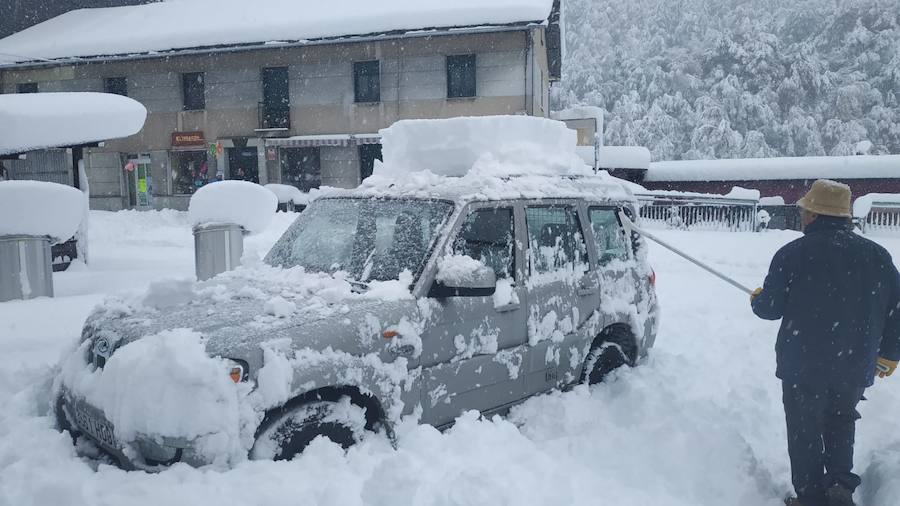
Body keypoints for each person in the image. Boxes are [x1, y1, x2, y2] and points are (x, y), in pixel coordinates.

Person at [751, 179, 900, 506]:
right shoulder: (878, 256)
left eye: (805, 210)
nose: (802, 215)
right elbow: (896, 309)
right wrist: (890, 354)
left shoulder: (791, 254)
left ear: (815, 214)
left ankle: (810, 497)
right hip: (854, 363)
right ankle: (839, 486)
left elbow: (770, 309)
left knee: (804, 431)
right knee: (841, 421)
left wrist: (759, 300)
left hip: (803, 363)